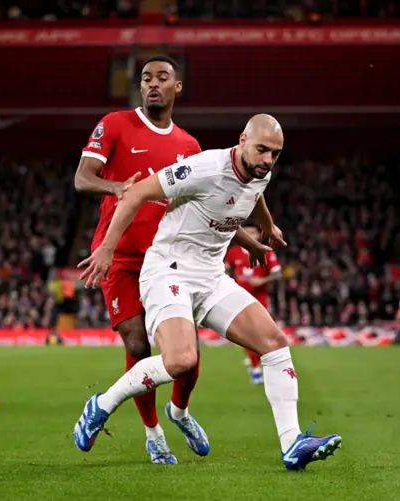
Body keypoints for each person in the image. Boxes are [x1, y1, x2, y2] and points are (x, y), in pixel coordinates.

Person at [74, 114, 341, 471]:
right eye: (262, 150)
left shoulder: (262, 171)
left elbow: (254, 190)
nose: (267, 160)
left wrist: (263, 227)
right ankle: (103, 404)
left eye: (275, 154)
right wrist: (107, 247)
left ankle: (292, 443)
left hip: (211, 277)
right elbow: (137, 192)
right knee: (182, 360)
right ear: (242, 140)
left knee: (275, 344)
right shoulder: (204, 168)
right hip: (168, 270)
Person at [74, 55, 279, 463]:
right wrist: (119, 189)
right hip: (123, 257)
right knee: (136, 341)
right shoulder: (114, 123)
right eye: (146, 78)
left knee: (186, 359)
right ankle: (153, 434)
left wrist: (249, 242)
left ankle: (180, 413)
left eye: (161, 77)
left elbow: (213, 209)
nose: (152, 84)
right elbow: (82, 179)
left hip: (174, 262)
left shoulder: (189, 147)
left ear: (176, 87)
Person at [225, 221, 282, 384]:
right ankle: (255, 368)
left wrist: (263, 280)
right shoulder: (233, 252)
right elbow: (226, 271)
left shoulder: (266, 252)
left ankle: (260, 363)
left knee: (263, 334)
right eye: (246, 232)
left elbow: (278, 274)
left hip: (260, 300)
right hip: (239, 299)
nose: (250, 236)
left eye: (253, 233)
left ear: (260, 235)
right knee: (248, 334)